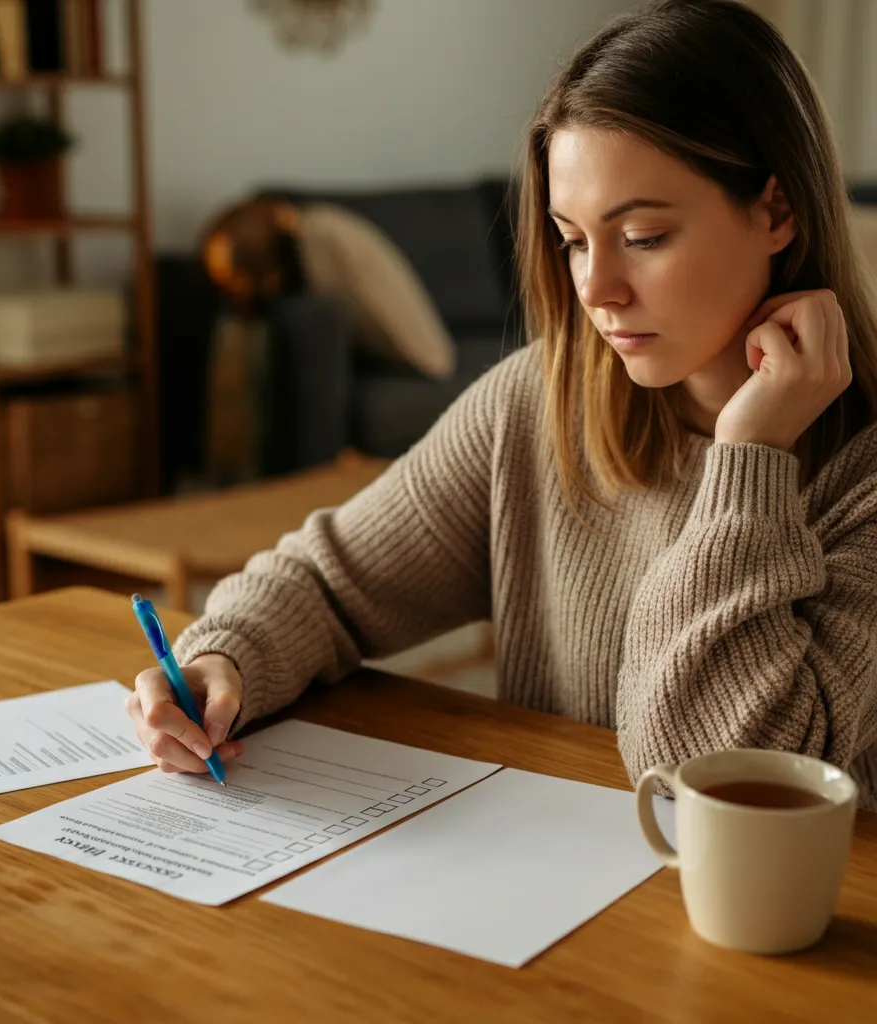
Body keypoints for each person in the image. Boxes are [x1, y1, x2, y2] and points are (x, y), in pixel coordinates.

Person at [126, 0, 877, 810]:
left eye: (644, 237)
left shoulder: (860, 474)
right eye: (574, 239)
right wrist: (224, 659)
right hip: (542, 901)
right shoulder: (538, 400)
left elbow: (721, 783)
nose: (597, 290)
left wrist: (748, 460)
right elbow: (332, 584)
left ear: (777, 211)